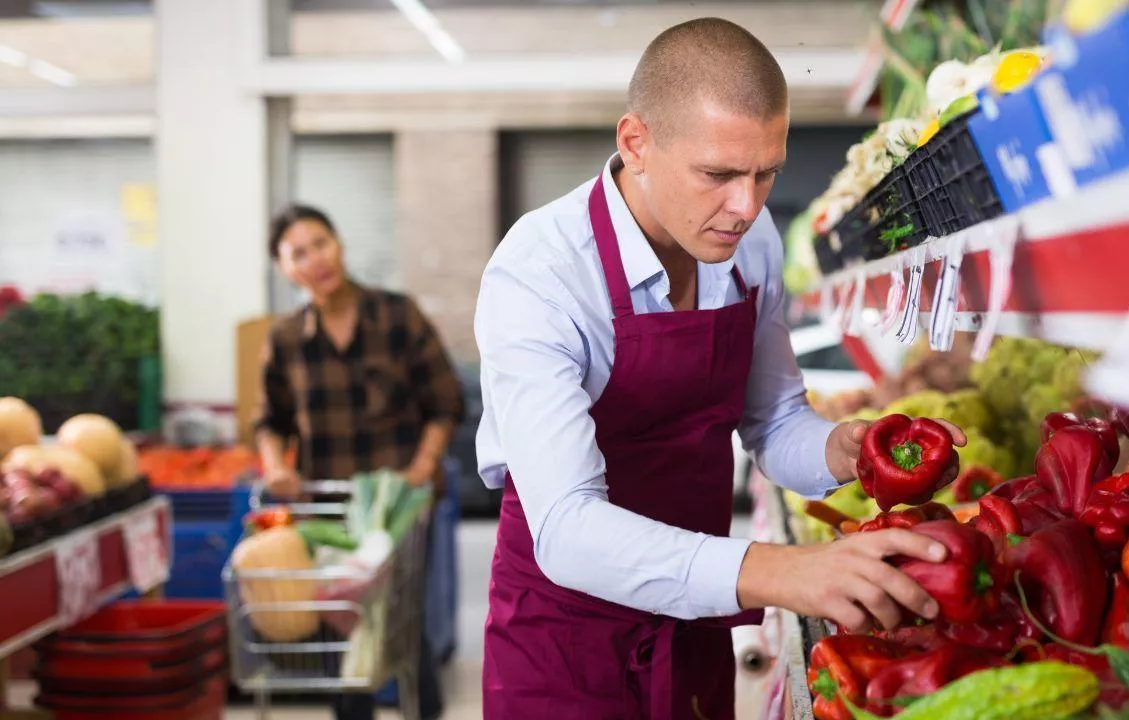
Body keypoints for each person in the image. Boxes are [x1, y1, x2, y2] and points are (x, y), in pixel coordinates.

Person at [474, 18, 966, 719]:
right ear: (636, 144)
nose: (747, 206)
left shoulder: (749, 241)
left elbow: (772, 423)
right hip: (563, 638)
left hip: (696, 610)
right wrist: (782, 571)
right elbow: (568, 529)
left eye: (768, 172)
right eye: (719, 175)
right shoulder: (541, 273)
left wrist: (841, 449)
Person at [254, 203, 463, 720]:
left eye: (320, 243)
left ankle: (423, 707)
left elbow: (445, 402)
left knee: (402, 623)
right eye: (298, 253)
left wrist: (421, 468)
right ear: (284, 269)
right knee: (342, 636)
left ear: (339, 244)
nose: (314, 259)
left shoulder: (398, 315)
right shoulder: (284, 341)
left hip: (400, 510)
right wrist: (276, 466)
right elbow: (268, 421)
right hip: (330, 515)